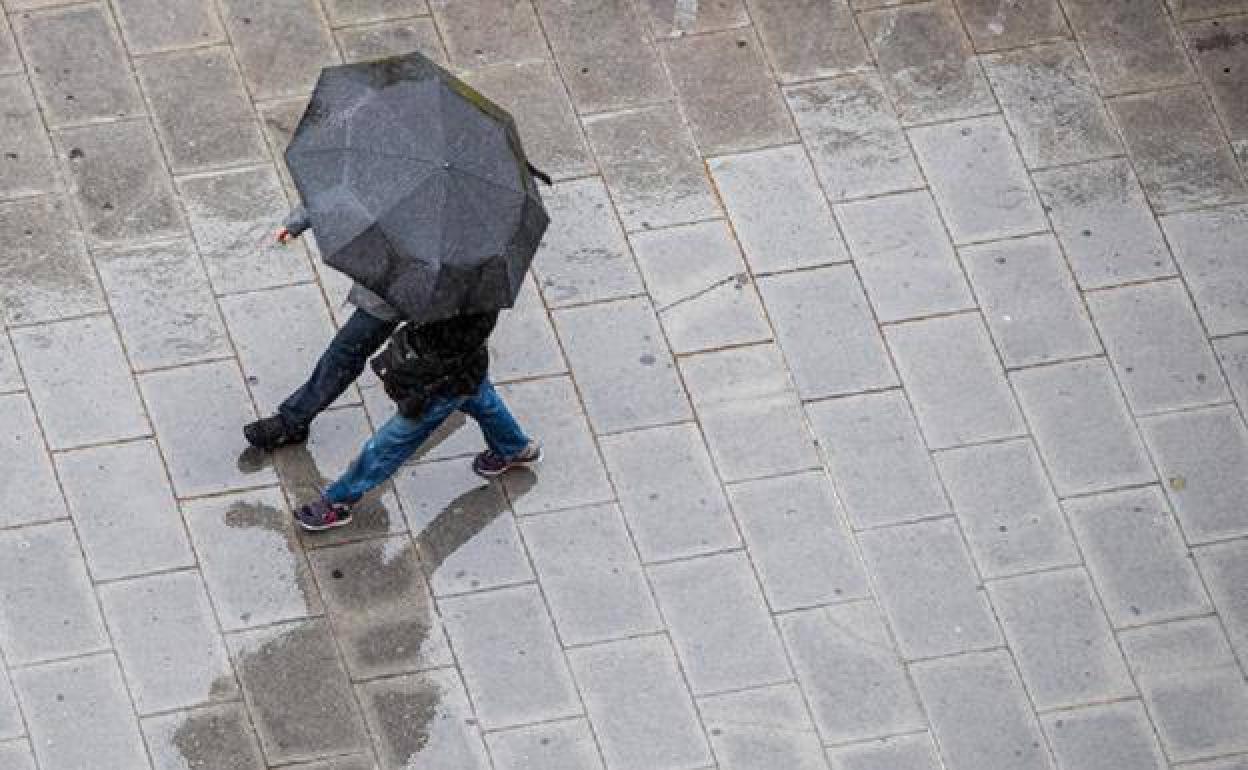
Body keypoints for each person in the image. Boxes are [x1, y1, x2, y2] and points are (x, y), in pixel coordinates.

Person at [294, 309, 541, 531]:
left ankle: (338, 499)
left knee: (391, 442)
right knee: (479, 397)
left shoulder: (461, 299)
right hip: (467, 370)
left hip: (443, 382)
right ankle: (514, 447)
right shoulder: (481, 286)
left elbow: (449, 348)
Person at [243, 206, 402, 450]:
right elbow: (346, 187)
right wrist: (300, 220)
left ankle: (467, 393)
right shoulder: (402, 173)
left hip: (443, 295)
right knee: (345, 353)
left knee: (459, 362)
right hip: (390, 291)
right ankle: (293, 421)